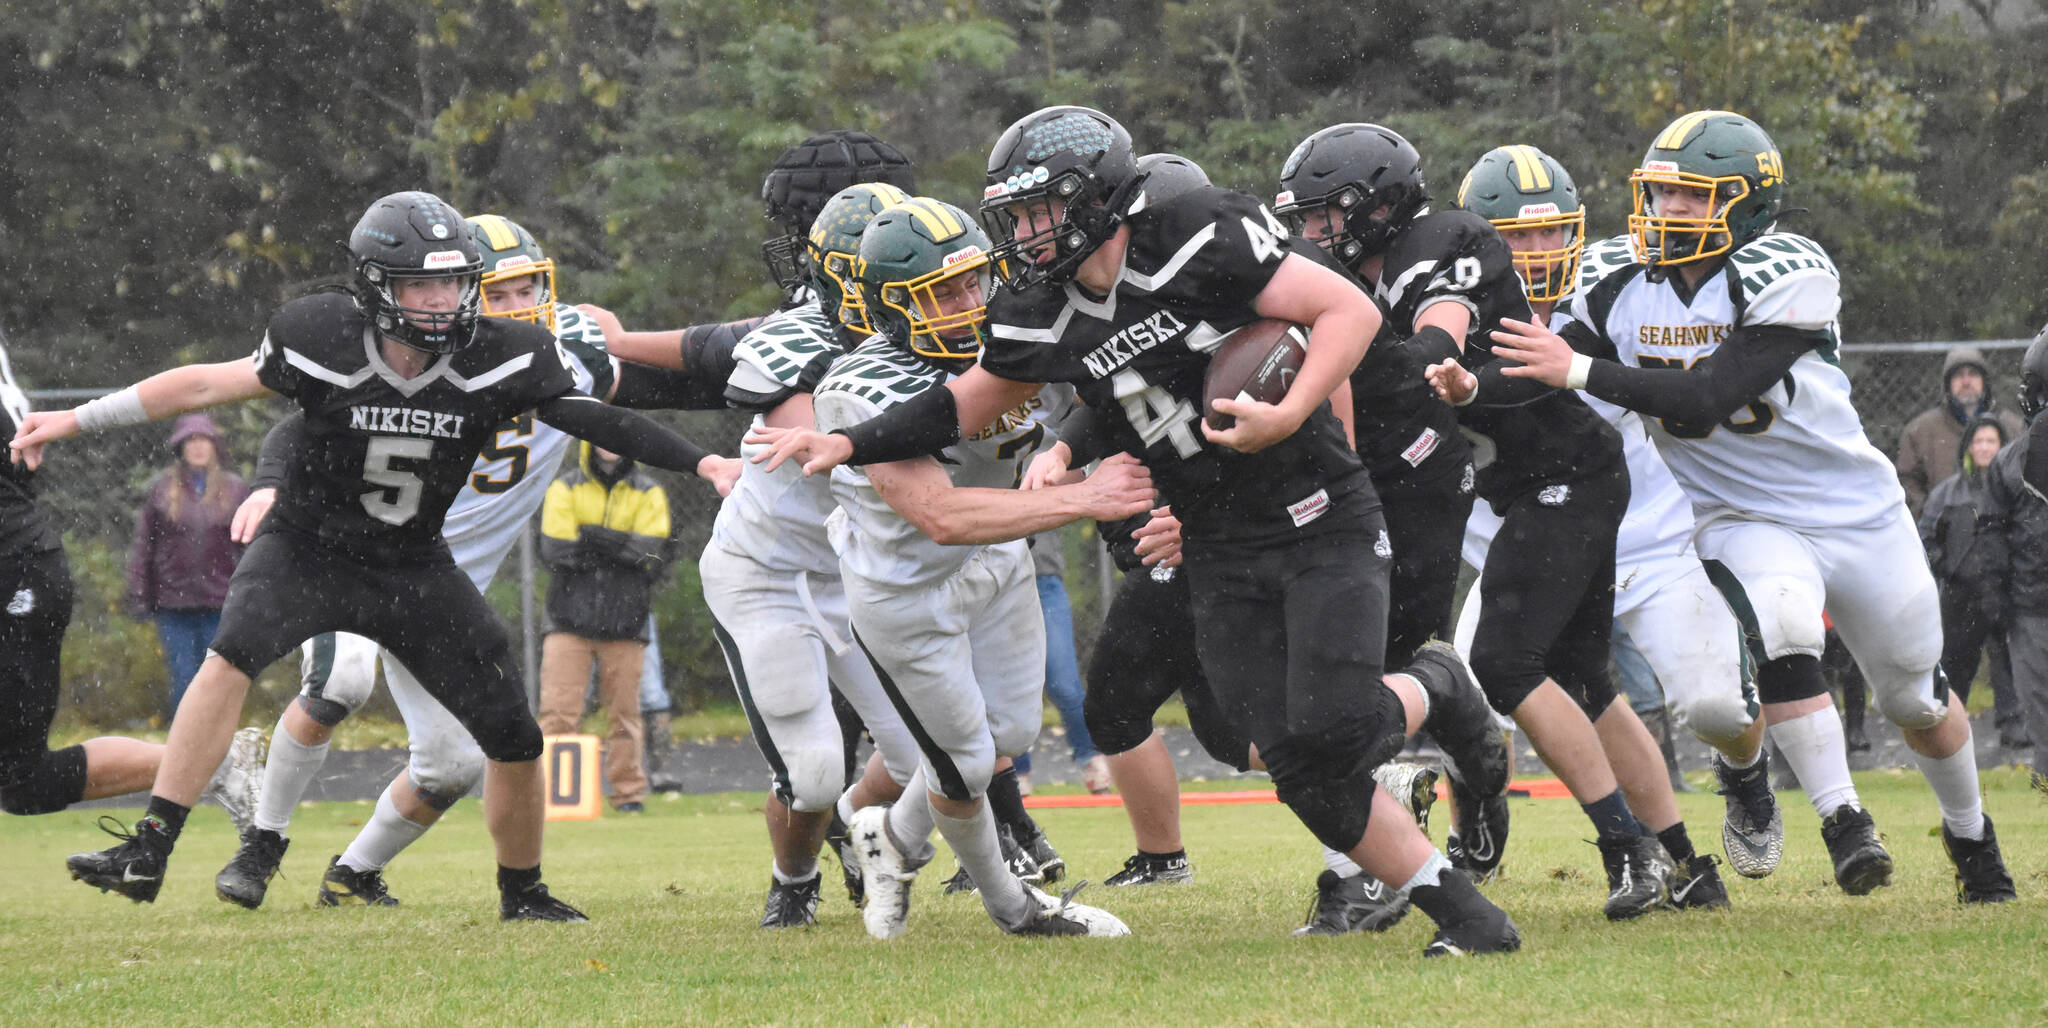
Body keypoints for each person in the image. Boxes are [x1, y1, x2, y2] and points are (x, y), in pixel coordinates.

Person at [756, 107, 1521, 956]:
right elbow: (959, 403)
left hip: (1317, 514)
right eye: (1015, 214)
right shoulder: (1039, 304)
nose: (1024, 232)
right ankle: (1472, 924)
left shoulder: (1199, 231)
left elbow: (1347, 312)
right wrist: (849, 440)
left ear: (1097, 198)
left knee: (1334, 728)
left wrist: (1290, 412)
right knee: (1287, 759)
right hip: (1214, 539)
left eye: (1039, 210)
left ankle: (1438, 686)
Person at [22, 191, 730, 920]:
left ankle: (523, 892)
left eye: (453, 282)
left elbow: (591, 414)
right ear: (375, 286)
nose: (441, 300)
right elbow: (209, 383)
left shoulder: (505, 350)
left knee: (513, 736)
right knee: (232, 656)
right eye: (422, 283)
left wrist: (704, 463)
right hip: (307, 548)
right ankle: (153, 845)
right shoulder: (319, 331)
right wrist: (75, 419)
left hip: (414, 564)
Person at [1481, 110, 2016, 903]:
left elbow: (1706, 397)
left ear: (1747, 204)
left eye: (1691, 198)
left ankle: (1973, 839)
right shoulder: (1614, 278)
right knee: (1785, 624)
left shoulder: (1786, 268)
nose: (1668, 212)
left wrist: (1576, 371)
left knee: (1915, 697)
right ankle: (1844, 824)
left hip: (1854, 512)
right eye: (1659, 194)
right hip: (1735, 512)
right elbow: (1537, 356)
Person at [211, 212, 736, 911]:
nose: (520, 307)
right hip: (360, 553)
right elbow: (302, 419)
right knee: (341, 677)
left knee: (453, 762)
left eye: (529, 289)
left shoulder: (556, 353)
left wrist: (772, 383)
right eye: (502, 293)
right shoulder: (413, 350)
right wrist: (272, 480)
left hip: (442, 584)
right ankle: (261, 842)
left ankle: (353, 872)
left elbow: (658, 395)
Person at [1285, 124, 1690, 921]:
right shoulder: (1337, 278)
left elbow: (1442, 326)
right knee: (1585, 682)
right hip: (1518, 487)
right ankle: (1682, 858)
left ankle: (1625, 849)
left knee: (1502, 663)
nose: (1311, 233)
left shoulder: (1444, 240)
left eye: (1324, 215)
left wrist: (1435, 364)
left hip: (1567, 472)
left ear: (1377, 206)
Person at [805, 194, 1152, 939]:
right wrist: (1087, 497)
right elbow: (944, 516)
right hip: (908, 589)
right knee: (963, 768)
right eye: (941, 292)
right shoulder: (858, 388)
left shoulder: (1014, 332)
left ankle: (887, 838)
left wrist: (1062, 452)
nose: (967, 304)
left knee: (1009, 736)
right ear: (892, 307)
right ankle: (1014, 908)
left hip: (1000, 563)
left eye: (973, 283)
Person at [1448, 143, 1772, 890]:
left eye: (1550, 233)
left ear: (1577, 232)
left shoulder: (1620, 292)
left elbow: (1700, 360)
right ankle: (1482, 832)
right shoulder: (1452, 308)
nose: (1537, 251)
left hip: (1644, 539)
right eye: (1516, 237)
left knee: (1716, 707)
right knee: (1474, 695)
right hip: (1524, 542)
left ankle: (1740, 777)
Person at [0, 326, 261, 830]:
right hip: (26, 563)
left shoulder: (225, 487)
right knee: (22, 784)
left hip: (17, 570)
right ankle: (212, 764)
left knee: (23, 779)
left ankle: (213, 763)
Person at [536, 443, 672, 813]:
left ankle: (629, 794)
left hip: (626, 620)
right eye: (601, 438)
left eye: (618, 438)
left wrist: (591, 536)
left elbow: (648, 551)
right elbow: (556, 550)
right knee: (558, 711)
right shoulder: (564, 487)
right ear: (587, 443)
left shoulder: (649, 491)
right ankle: (552, 796)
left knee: (625, 714)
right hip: (567, 617)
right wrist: (619, 544)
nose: (609, 446)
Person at [126, 413, 250, 716]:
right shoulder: (161, 490)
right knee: (184, 677)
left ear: (214, 446)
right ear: (180, 447)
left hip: (220, 603)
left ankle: (216, 746)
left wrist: (250, 598)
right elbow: (144, 546)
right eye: (190, 440)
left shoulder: (235, 491)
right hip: (173, 604)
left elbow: (250, 547)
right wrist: (140, 595)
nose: (197, 447)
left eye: (203, 439)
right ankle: (183, 750)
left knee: (218, 678)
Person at [1922, 415, 2029, 750]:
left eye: (1991, 441)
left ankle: (2013, 725)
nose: (1984, 448)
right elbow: (1926, 538)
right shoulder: (1947, 493)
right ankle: (1946, 726)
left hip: (2002, 590)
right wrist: (1948, 567)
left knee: (2007, 660)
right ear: (1968, 445)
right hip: (1959, 594)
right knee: (1954, 663)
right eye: (1978, 441)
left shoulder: (2013, 491)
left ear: (2003, 447)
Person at [1980, 323, 2048, 790]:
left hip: (2030, 599)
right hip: (2031, 602)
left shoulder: (2014, 459)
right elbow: (1992, 534)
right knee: (2039, 705)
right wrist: (1996, 595)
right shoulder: (2011, 461)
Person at [1021, 527, 1112, 795]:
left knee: (1063, 682)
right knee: (1007, 688)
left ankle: (1090, 758)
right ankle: (1016, 773)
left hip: (1043, 581)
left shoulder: (1043, 482)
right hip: (994, 585)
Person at [1895, 346, 2025, 518]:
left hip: (2003, 531)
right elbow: (1906, 482)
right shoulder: (1920, 431)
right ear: (1947, 384)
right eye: (1958, 375)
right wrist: (1932, 516)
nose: (1966, 382)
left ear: (1984, 381)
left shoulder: (2013, 427)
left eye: (1972, 374)